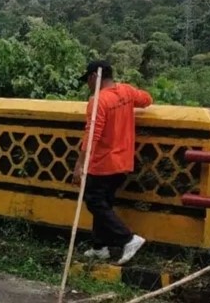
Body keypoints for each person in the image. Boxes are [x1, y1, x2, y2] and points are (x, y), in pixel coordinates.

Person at [72, 60, 153, 265]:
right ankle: (100, 246)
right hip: (124, 160)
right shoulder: (126, 91)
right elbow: (147, 100)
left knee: (94, 200)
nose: (88, 85)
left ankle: (128, 238)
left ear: (93, 77)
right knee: (104, 201)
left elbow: (92, 135)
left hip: (104, 162)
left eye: (88, 81)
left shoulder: (98, 101)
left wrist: (80, 164)